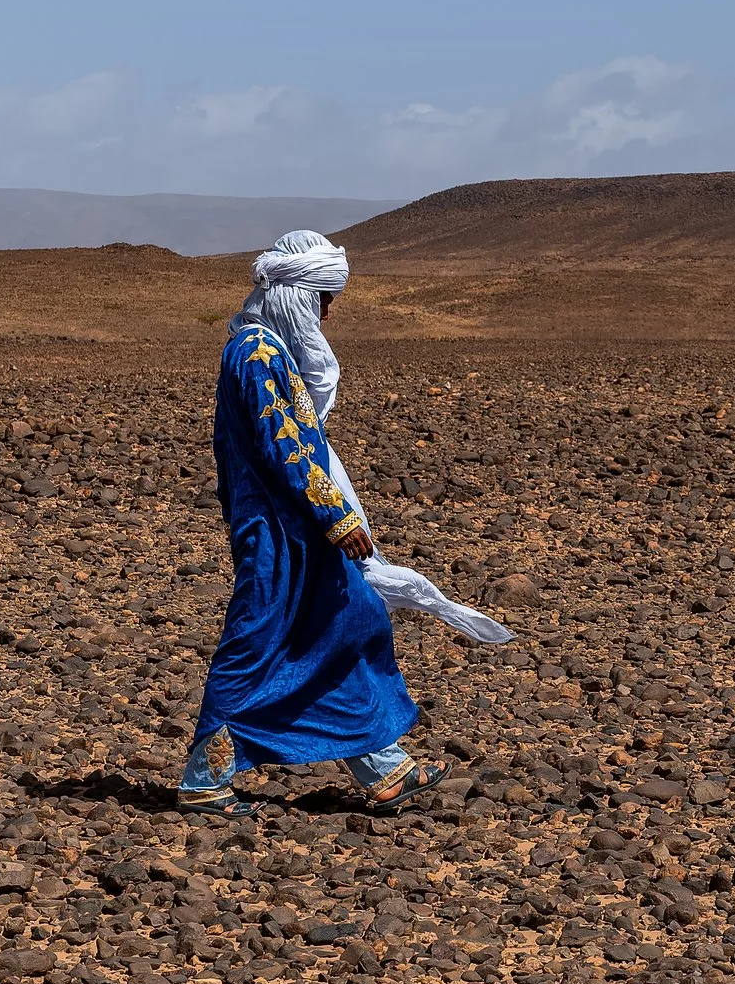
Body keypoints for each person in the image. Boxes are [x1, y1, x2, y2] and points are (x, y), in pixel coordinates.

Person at [179, 230, 507, 817]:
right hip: (279, 528)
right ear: (296, 297)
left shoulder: (266, 351)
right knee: (259, 640)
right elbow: (283, 443)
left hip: (297, 525)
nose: (328, 311)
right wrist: (335, 513)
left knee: (346, 621)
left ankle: (383, 765)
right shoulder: (255, 354)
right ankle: (205, 774)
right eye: (323, 298)